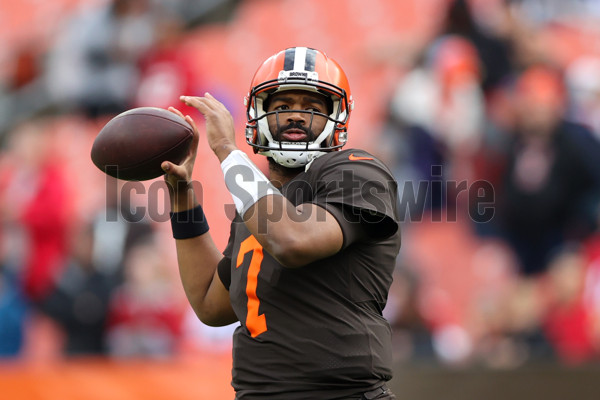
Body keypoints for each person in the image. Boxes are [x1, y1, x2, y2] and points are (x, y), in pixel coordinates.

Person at [161, 47, 401, 399]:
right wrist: (182, 196)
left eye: (312, 108)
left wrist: (228, 150)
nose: (296, 117)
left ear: (337, 117)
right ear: (259, 114)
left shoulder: (357, 170)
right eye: (283, 106)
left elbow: (293, 241)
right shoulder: (257, 202)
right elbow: (210, 304)